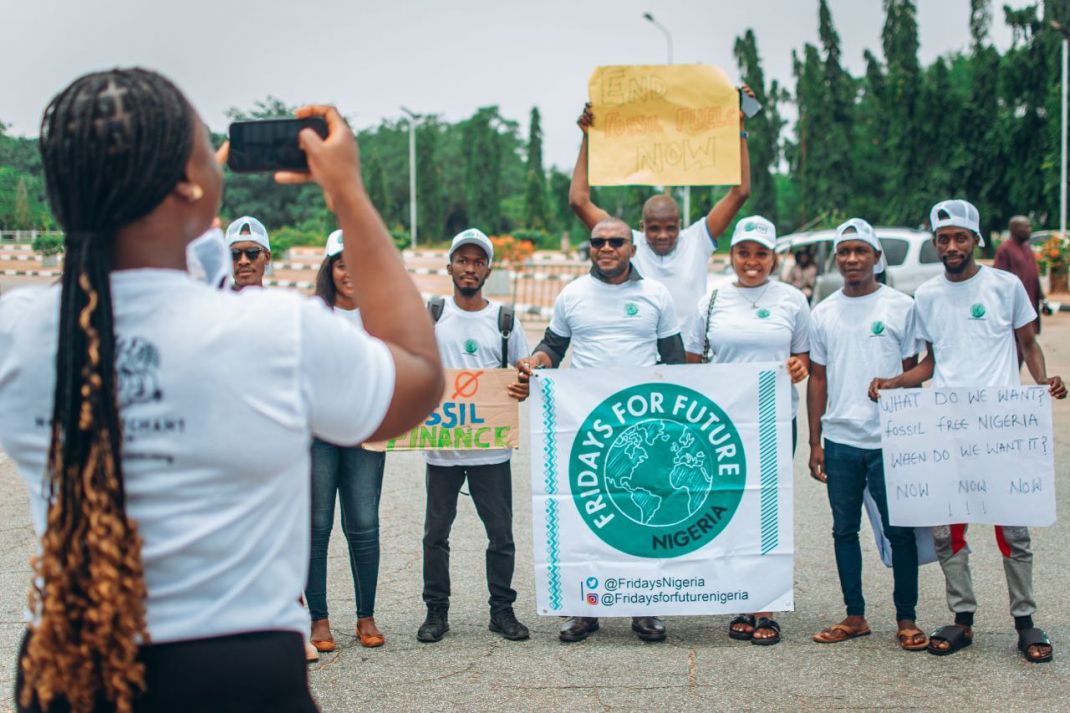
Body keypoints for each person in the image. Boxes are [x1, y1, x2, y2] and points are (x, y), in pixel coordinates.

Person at [0, 69, 443, 712]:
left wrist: (191, 189)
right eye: (207, 147)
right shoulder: (272, 332)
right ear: (189, 181)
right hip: (232, 675)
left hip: (64, 666)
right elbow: (417, 375)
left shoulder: (20, 335)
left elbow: (159, 261)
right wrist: (347, 193)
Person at [870, 199, 1067, 662]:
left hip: (999, 427)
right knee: (948, 531)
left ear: (977, 240)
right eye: (944, 239)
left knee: (1011, 528)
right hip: (949, 429)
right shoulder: (929, 297)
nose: (952, 246)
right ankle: (962, 618)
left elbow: (1028, 342)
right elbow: (932, 363)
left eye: (961, 238)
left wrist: (1041, 383)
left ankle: (1025, 621)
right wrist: (894, 383)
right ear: (936, 244)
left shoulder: (1006, 286)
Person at [517, 216, 685, 643]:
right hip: (587, 426)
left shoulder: (655, 295)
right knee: (585, 515)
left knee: (643, 519)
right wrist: (535, 363)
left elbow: (675, 360)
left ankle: (644, 606)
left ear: (633, 247)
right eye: (597, 242)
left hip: (643, 429)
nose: (605, 248)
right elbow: (553, 347)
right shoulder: (573, 295)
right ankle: (582, 609)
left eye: (615, 241)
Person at [684, 215, 810, 646]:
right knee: (732, 509)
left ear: (774, 257)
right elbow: (692, 361)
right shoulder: (713, 298)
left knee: (769, 511)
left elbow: (803, 357)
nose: (751, 262)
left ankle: (766, 605)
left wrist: (799, 367)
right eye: (743, 253)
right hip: (723, 425)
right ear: (731, 255)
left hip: (774, 422)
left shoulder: (792, 299)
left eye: (761, 254)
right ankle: (741, 598)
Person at [806, 219, 926, 650]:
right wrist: (815, 441)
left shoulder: (900, 306)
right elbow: (817, 379)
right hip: (840, 440)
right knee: (843, 530)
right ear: (836, 258)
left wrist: (899, 390)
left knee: (900, 531)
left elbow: (916, 369)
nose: (852, 259)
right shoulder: (823, 312)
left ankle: (906, 618)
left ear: (877, 257)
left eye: (861, 251)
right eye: (844, 252)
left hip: (889, 439)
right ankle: (855, 615)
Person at [417, 228, 532, 644]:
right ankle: (436, 611)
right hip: (443, 450)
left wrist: (524, 385)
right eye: (462, 260)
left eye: (477, 261)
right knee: (436, 535)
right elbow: (415, 368)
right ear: (449, 266)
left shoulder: (504, 320)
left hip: (491, 451)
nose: (469, 267)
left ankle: (502, 610)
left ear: (488, 268)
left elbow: (522, 376)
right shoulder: (431, 314)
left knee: (500, 535)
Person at [567, 90, 753, 319]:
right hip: (642, 351)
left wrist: (740, 129)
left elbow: (741, 192)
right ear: (642, 227)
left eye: (670, 228)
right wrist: (587, 137)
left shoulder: (697, 239)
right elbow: (578, 201)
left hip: (688, 353)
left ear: (681, 225)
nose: (663, 235)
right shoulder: (626, 242)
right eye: (654, 228)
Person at [305, 229, 389, 653]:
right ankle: (318, 620)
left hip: (365, 434)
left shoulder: (380, 316)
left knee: (364, 526)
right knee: (316, 528)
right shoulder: (312, 316)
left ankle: (366, 616)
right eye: (341, 263)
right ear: (330, 269)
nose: (349, 271)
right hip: (318, 436)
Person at [994, 215, 1043, 348]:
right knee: (1017, 346)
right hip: (1014, 307)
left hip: (1031, 302)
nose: (1030, 230)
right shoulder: (1005, 250)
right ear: (1015, 230)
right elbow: (999, 279)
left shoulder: (1027, 248)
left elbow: (1034, 273)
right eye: (1026, 227)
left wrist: (1042, 297)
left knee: (1028, 342)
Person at [226, 215, 271, 290]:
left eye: (252, 253)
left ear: (267, 257)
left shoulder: (278, 301)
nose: (243, 261)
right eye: (234, 254)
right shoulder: (217, 300)